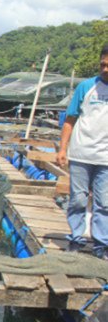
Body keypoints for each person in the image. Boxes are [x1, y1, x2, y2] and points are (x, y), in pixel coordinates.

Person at [56, 44, 108, 260]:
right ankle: (76, 239)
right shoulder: (85, 87)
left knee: (104, 203)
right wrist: (62, 149)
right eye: (103, 64)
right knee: (77, 199)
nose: (105, 69)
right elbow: (70, 120)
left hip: (105, 158)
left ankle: (101, 245)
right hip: (80, 154)